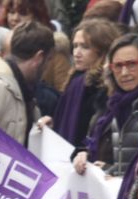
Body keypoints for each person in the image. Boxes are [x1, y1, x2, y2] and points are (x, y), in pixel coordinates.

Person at [74, 33, 138, 177]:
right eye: (118, 66)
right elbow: (123, 161)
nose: (124, 73)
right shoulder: (114, 105)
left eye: (132, 64)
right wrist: (88, 159)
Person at [47, 17, 116, 148]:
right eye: (75, 46)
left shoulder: (102, 85)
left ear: (101, 50)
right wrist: (53, 122)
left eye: (85, 47)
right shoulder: (75, 80)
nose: (77, 53)